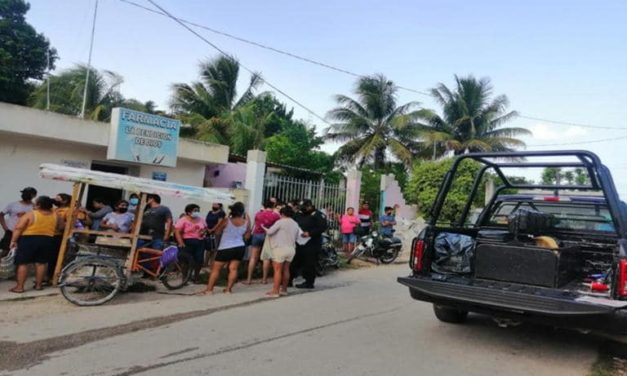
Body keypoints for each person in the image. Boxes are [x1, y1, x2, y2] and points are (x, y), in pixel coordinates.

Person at [9, 196, 64, 293]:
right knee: (41, 263)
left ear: (39, 205)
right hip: (47, 239)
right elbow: (61, 227)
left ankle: (20, 287)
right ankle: (38, 285)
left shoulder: (30, 214)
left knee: (23, 263)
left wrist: (13, 241)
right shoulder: (56, 215)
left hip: (29, 239)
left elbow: (18, 228)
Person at [200, 202, 251, 295]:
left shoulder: (226, 220)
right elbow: (247, 236)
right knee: (233, 268)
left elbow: (217, 232)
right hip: (240, 247)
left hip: (225, 247)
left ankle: (209, 290)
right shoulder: (246, 222)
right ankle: (228, 289)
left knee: (216, 269)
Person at [263, 205, 300, 298]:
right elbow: (297, 237)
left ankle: (275, 291)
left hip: (280, 248)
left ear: (282, 214)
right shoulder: (295, 223)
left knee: (277, 270)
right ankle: (284, 289)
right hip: (291, 249)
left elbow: (270, 232)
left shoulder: (280, 222)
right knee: (286, 269)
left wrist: (264, 228)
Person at [290, 200, 327, 289]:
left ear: (310, 206)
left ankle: (309, 282)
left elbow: (322, 227)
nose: (303, 209)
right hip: (298, 241)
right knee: (294, 261)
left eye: (305, 207)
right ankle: (288, 280)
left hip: (311, 242)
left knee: (309, 263)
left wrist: (310, 233)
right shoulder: (299, 214)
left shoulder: (318, 215)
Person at [245, 200, 280, 285]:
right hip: (268, 236)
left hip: (257, 235)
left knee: (253, 257)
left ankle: (249, 279)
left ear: (263, 205)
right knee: (266, 258)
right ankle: (264, 279)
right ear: (273, 206)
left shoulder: (258, 214)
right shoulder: (275, 216)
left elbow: (255, 224)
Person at [174, 204, 208, 283]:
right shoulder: (183, 220)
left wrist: (203, 232)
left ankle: (196, 277)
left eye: (198, 211)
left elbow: (206, 228)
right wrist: (180, 242)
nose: (197, 212)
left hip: (200, 242)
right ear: (189, 212)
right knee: (185, 261)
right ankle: (184, 278)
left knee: (199, 260)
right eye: (195, 210)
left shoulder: (201, 219)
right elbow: (177, 231)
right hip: (187, 242)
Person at [1, 187, 37, 257]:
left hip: (25, 234)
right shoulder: (13, 204)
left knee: (21, 254)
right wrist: (4, 227)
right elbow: (1, 215)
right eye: (24, 193)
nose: (25, 195)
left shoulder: (34, 207)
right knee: (5, 252)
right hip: (11, 231)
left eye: (27, 193)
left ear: (34, 196)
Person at [47, 193, 72, 284]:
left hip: (60, 236)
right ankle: (49, 276)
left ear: (65, 201)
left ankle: (55, 277)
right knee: (50, 257)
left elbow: (69, 224)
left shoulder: (68, 210)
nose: (54, 200)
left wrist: (59, 224)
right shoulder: (54, 209)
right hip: (51, 235)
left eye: (58, 198)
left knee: (57, 257)